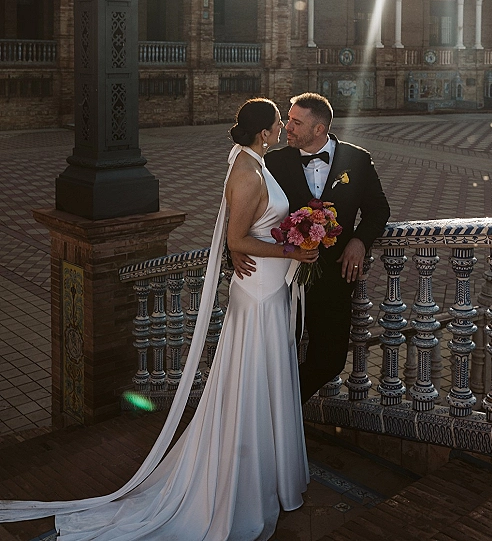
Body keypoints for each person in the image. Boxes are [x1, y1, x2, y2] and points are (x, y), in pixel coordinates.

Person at [0, 98, 314, 541]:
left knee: (265, 376)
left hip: (267, 285)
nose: (283, 127)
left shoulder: (256, 163)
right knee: (253, 378)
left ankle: (273, 472)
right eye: (279, 122)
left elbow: (247, 235)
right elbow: (236, 237)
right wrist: (291, 250)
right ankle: (241, 481)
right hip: (258, 294)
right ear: (264, 131)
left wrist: (291, 233)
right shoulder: (245, 173)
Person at [232, 93, 390, 403]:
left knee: (330, 360)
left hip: (334, 278)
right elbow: (244, 210)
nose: (287, 127)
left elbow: (379, 210)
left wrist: (359, 241)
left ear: (319, 129)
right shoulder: (273, 162)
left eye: (295, 122)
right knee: (274, 356)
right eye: (287, 120)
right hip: (281, 278)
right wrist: (235, 247)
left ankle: (279, 408)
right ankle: (268, 420)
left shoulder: (357, 160)